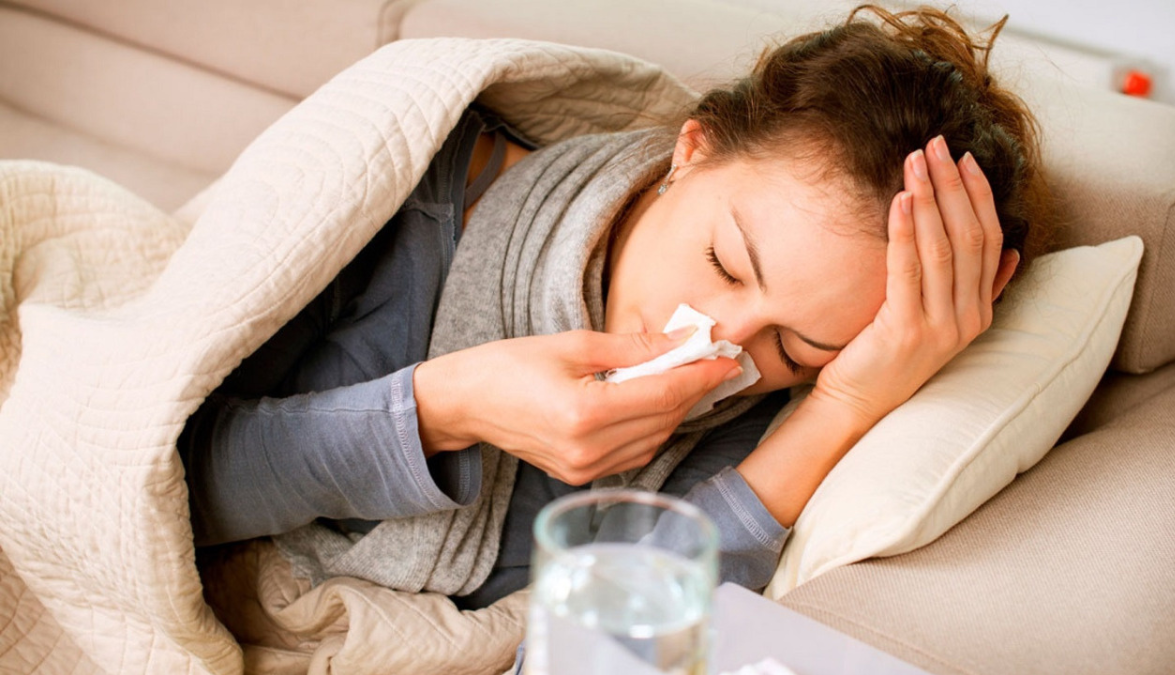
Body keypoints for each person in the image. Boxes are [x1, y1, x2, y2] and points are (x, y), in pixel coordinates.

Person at [179, 5, 1053, 609]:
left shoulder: (763, 403)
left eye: (798, 341)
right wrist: (446, 406)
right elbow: (162, 477)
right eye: (724, 262)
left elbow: (605, 635)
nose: (721, 348)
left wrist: (842, 404)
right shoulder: (403, 192)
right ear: (691, 151)